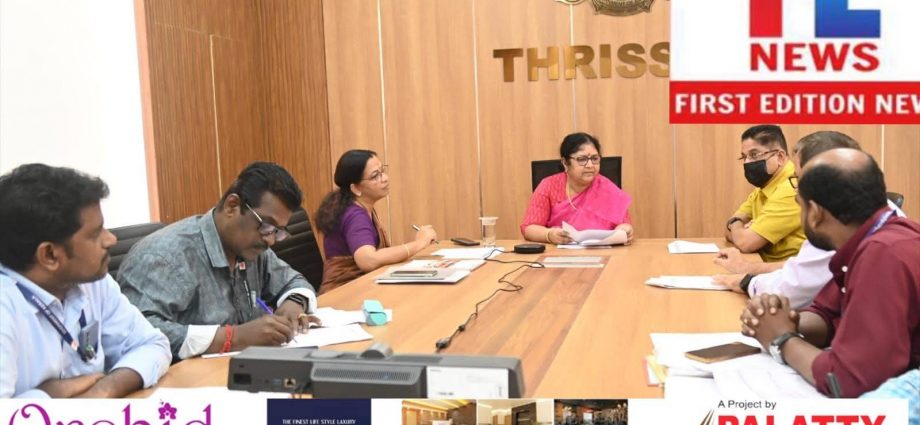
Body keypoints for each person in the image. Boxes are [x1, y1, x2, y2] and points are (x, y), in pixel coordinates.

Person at [741, 148, 920, 397]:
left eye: (800, 206)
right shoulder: (871, 240)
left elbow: (846, 380)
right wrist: (781, 319)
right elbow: (828, 314)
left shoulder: (883, 254)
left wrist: (782, 339)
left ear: (815, 214)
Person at [0, 164, 171, 398]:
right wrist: (47, 396)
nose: (111, 240)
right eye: (95, 233)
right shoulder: (6, 306)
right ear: (49, 255)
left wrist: (103, 390)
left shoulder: (91, 281)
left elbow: (153, 345)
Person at [118, 162, 319, 360]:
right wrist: (233, 337)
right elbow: (137, 333)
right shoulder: (164, 257)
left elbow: (292, 280)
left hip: (242, 367)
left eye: (278, 232)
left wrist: (294, 304)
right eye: (266, 226)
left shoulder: (252, 248)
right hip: (184, 377)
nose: (271, 240)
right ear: (232, 206)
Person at [714, 131, 905, 309]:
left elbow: (793, 288)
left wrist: (747, 280)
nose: (797, 194)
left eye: (799, 179)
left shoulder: (837, 224)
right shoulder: (866, 213)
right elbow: (807, 269)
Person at [315, 150, 437, 293]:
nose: (385, 178)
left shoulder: (360, 205)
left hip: (364, 284)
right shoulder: (354, 215)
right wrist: (419, 243)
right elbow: (368, 260)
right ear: (355, 188)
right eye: (375, 176)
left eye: (382, 171)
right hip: (344, 291)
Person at [521, 132, 633, 245]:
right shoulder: (549, 186)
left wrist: (625, 231)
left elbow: (624, 224)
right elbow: (529, 228)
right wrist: (549, 235)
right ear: (565, 163)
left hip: (603, 251)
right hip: (559, 252)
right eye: (582, 159)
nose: (590, 165)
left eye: (595, 158)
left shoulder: (607, 189)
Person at [725, 125, 805, 262]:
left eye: (754, 155)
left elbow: (745, 243)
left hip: (787, 271)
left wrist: (738, 227)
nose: (747, 162)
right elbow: (727, 231)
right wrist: (737, 224)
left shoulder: (791, 189)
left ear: (780, 157)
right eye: (744, 157)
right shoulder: (766, 184)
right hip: (764, 266)